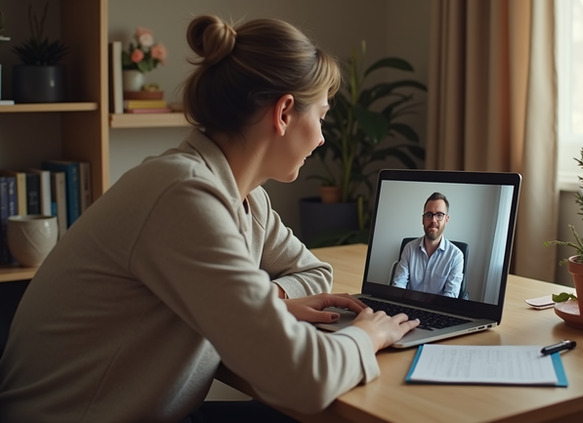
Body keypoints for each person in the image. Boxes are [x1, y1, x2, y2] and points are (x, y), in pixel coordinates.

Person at [0, 15, 419, 423]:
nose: (323, 136)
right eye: (322, 116)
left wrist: (269, 302)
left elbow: (314, 270)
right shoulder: (183, 195)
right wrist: (370, 334)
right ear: (285, 112)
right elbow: (302, 379)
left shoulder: (245, 198)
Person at [391, 192, 464, 298]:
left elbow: (451, 296)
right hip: (408, 306)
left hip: (438, 309)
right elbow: (399, 284)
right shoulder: (409, 248)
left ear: (446, 219)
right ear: (423, 219)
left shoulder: (456, 256)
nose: (433, 220)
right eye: (429, 215)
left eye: (439, 215)